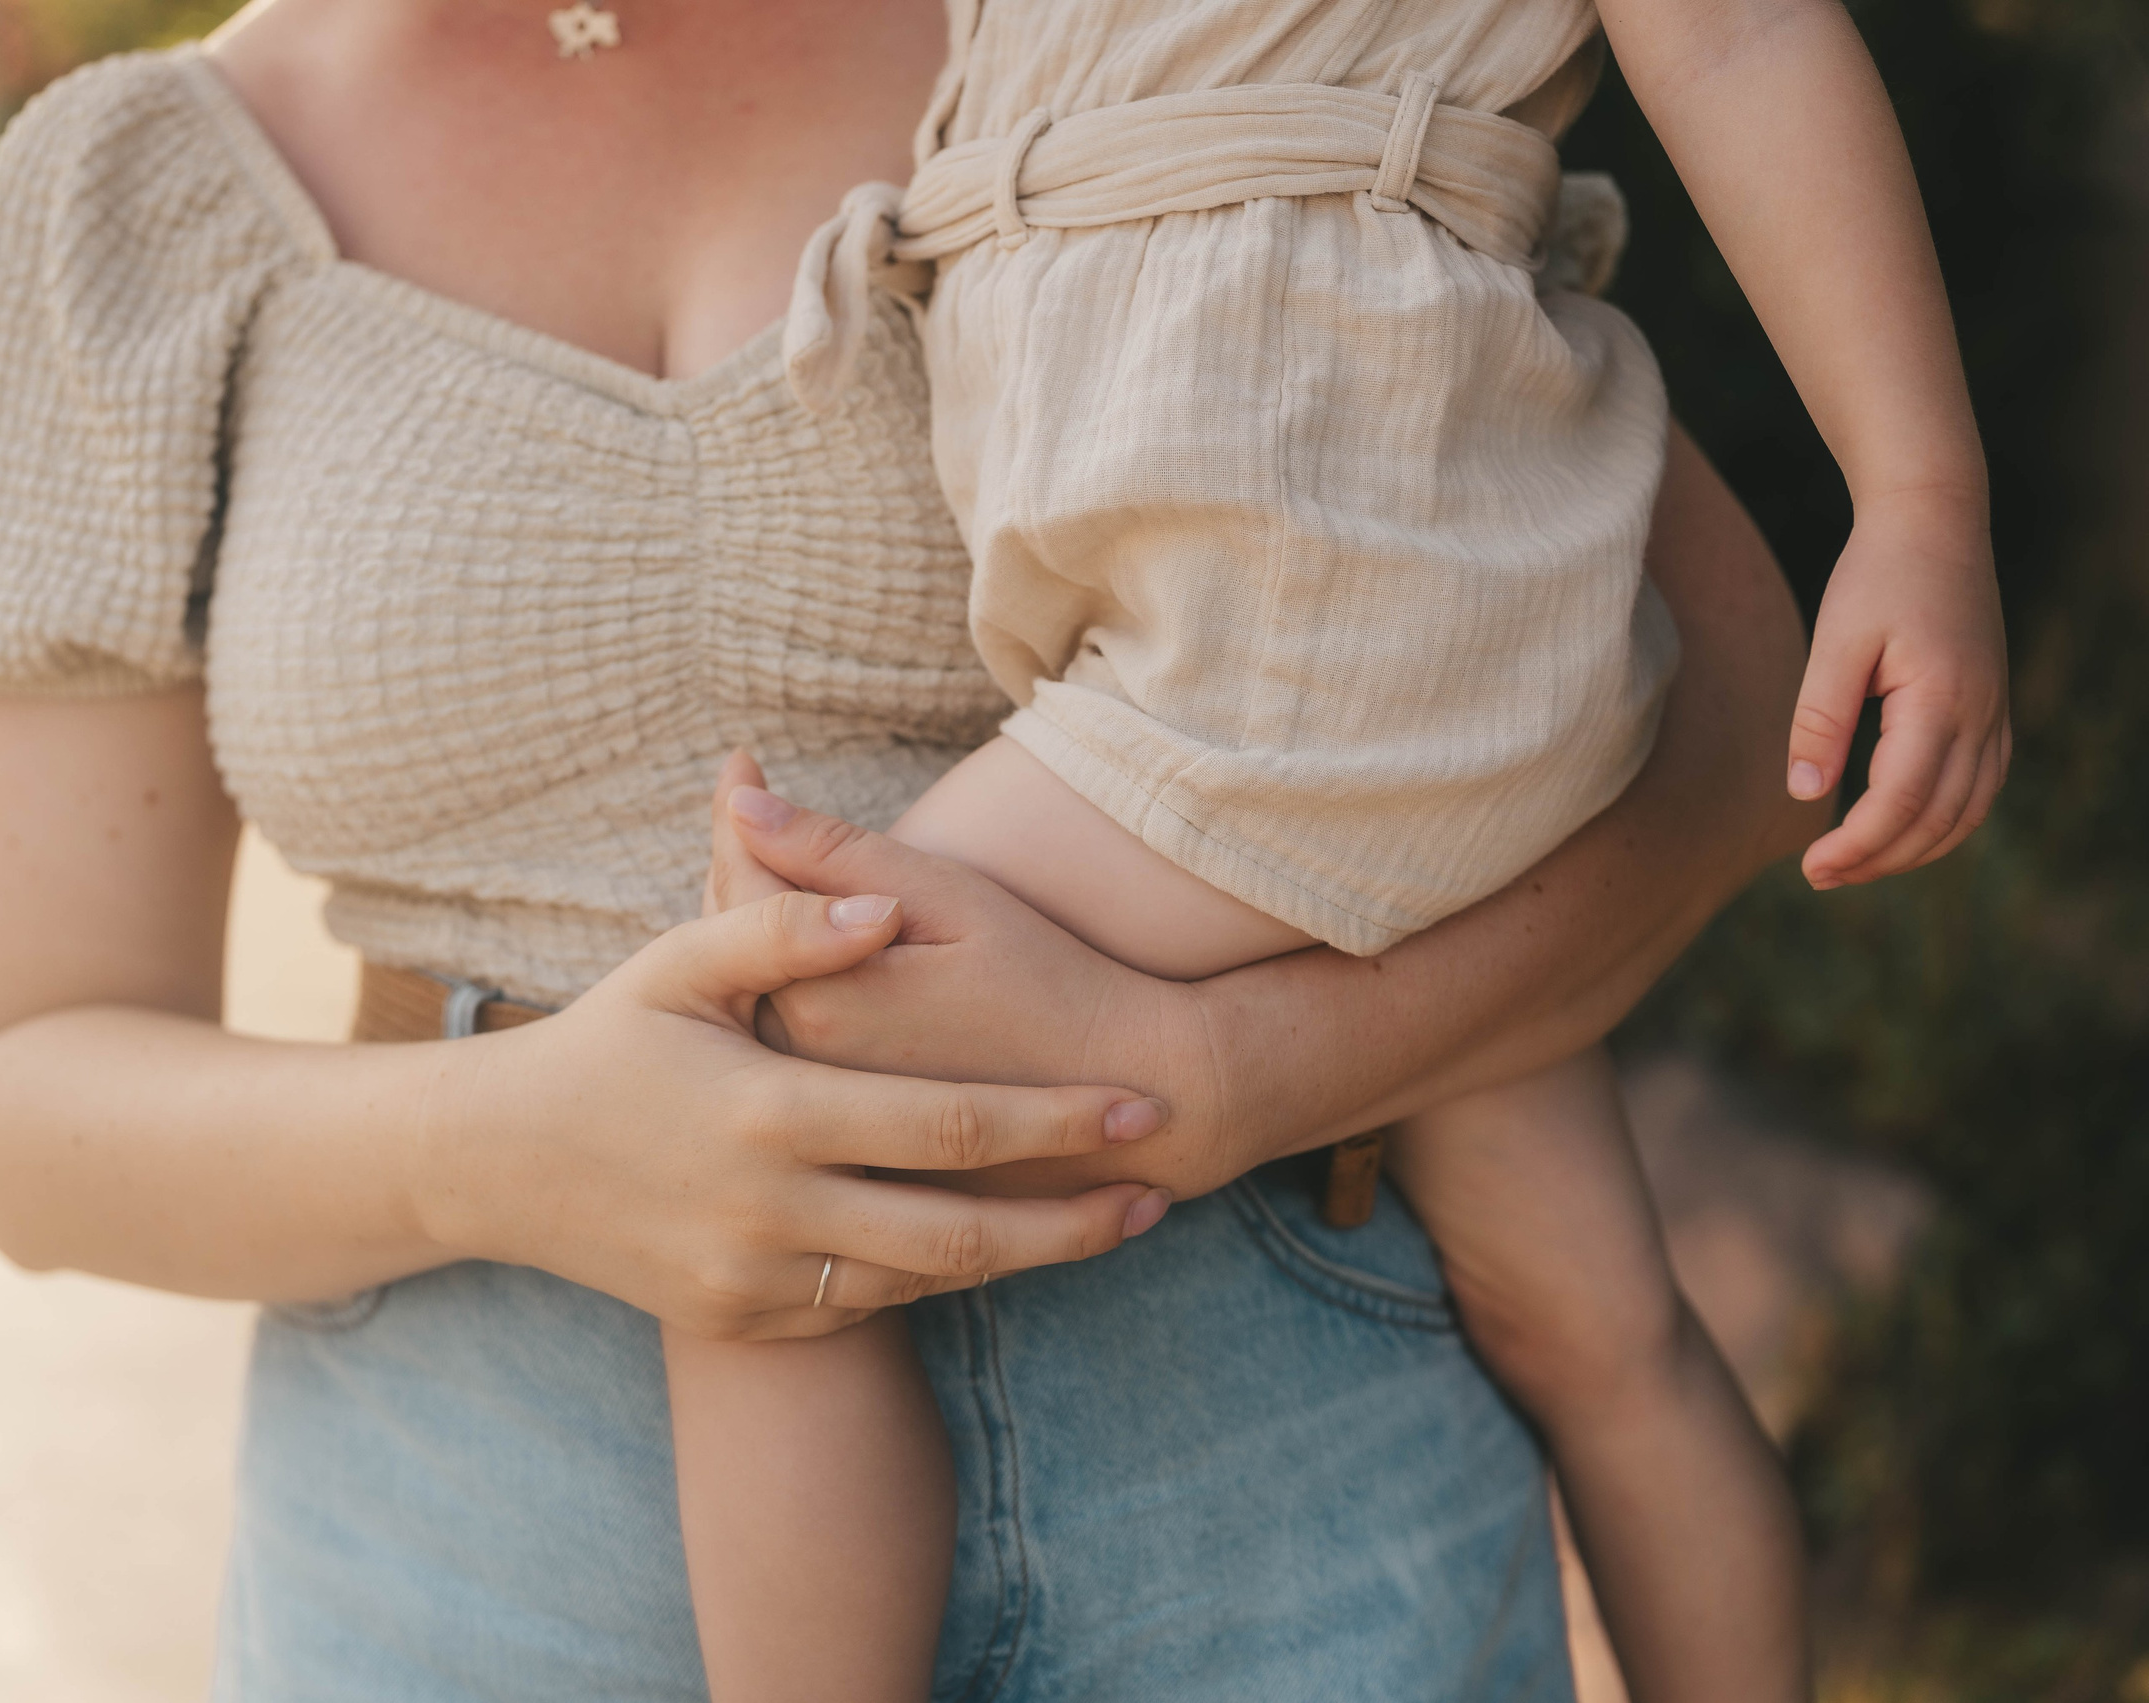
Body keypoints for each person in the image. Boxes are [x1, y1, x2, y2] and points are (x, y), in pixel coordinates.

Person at [0, 2, 1830, 1696]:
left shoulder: (1135, 33)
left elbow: (1725, 709)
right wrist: (514, 1139)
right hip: (474, 1536)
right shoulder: (135, 195)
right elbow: (17, 1082)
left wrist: (1242, 1073)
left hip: (1275, 1465)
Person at [661, 4, 2007, 1702]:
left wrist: (1920, 500)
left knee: (768, 1137)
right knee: (1597, 1324)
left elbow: (1737, 38)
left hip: (1310, 613)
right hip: (1331, 602)